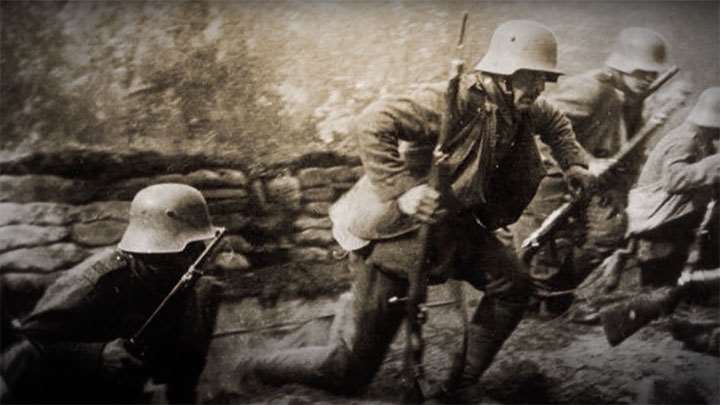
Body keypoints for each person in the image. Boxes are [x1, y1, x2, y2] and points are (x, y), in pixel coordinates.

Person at [243, 20, 593, 402]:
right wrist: (402, 191)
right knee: (351, 370)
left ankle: (458, 385)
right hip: (396, 232)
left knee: (513, 286)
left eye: (544, 77)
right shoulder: (453, 101)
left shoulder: (521, 106)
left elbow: (556, 122)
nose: (540, 87)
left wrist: (573, 163)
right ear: (505, 74)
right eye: (533, 77)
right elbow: (373, 121)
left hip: (457, 224)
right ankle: (257, 366)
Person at [0, 183, 224, 404]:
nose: (195, 258)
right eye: (186, 248)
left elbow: (185, 369)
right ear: (155, 247)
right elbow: (27, 346)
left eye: (197, 246)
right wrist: (98, 354)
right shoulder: (96, 281)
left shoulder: (196, 288)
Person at [510, 27, 674, 313]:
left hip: (594, 181)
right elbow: (537, 128)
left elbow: (629, 154)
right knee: (538, 241)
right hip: (548, 172)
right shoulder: (591, 88)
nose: (649, 79)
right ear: (622, 64)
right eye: (641, 71)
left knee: (609, 231)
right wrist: (584, 161)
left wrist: (621, 191)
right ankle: (525, 297)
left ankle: (553, 291)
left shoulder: (634, 100)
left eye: (653, 73)